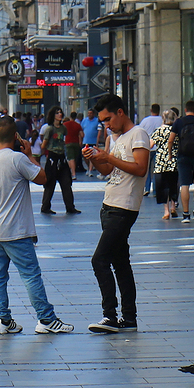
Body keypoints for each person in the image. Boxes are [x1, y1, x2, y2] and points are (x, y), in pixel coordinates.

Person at [0, 116, 74, 335]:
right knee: (30, 274)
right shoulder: (18, 159)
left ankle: (2, 320)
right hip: (16, 230)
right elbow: (42, 178)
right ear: (16, 137)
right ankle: (46, 319)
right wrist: (30, 154)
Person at [82, 94, 150, 333]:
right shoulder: (115, 136)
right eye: (103, 121)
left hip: (124, 206)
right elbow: (109, 169)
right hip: (109, 203)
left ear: (120, 112)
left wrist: (107, 156)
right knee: (121, 262)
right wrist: (96, 158)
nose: (107, 125)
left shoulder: (138, 134)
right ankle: (129, 318)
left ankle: (109, 315)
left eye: (108, 119)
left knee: (99, 259)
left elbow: (141, 169)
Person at [168, 101, 194, 224]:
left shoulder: (179, 122)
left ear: (185, 109)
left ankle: (186, 214)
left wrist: (170, 154)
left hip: (183, 156)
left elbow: (170, 140)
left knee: (184, 184)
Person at [39, 106, 79, 215]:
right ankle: (45, 206)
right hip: (53, 156)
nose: (60, 114)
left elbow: (64, 139)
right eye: (57, 113)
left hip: (61, 157)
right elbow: (44, 144)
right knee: (50, 184)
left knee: (66, 182)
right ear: (53, 115)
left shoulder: (63, 128)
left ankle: (70, 207)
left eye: (60, 112)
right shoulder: (50, 129)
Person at [151, 108, 180, 220]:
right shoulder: (176, 130)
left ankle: (166, 211)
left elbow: (150, 144)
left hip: (161, 162)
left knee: (163, 186)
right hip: (173, 161)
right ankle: (173, 206)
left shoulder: (158, 131)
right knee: (173, 184)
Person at [79, 108, 100, 175]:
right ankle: (89, 167)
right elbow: (80, 130)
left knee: (92, 156)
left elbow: (99, 131)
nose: (89, 114)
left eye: (91, 113)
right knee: (85, 156)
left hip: (93, 141)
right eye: (88, 113)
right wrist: (80, 140)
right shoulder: (84, 121)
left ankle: (90, 170)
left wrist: (97, 142)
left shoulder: (96, 121)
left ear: (93, 114)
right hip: (85, 141)